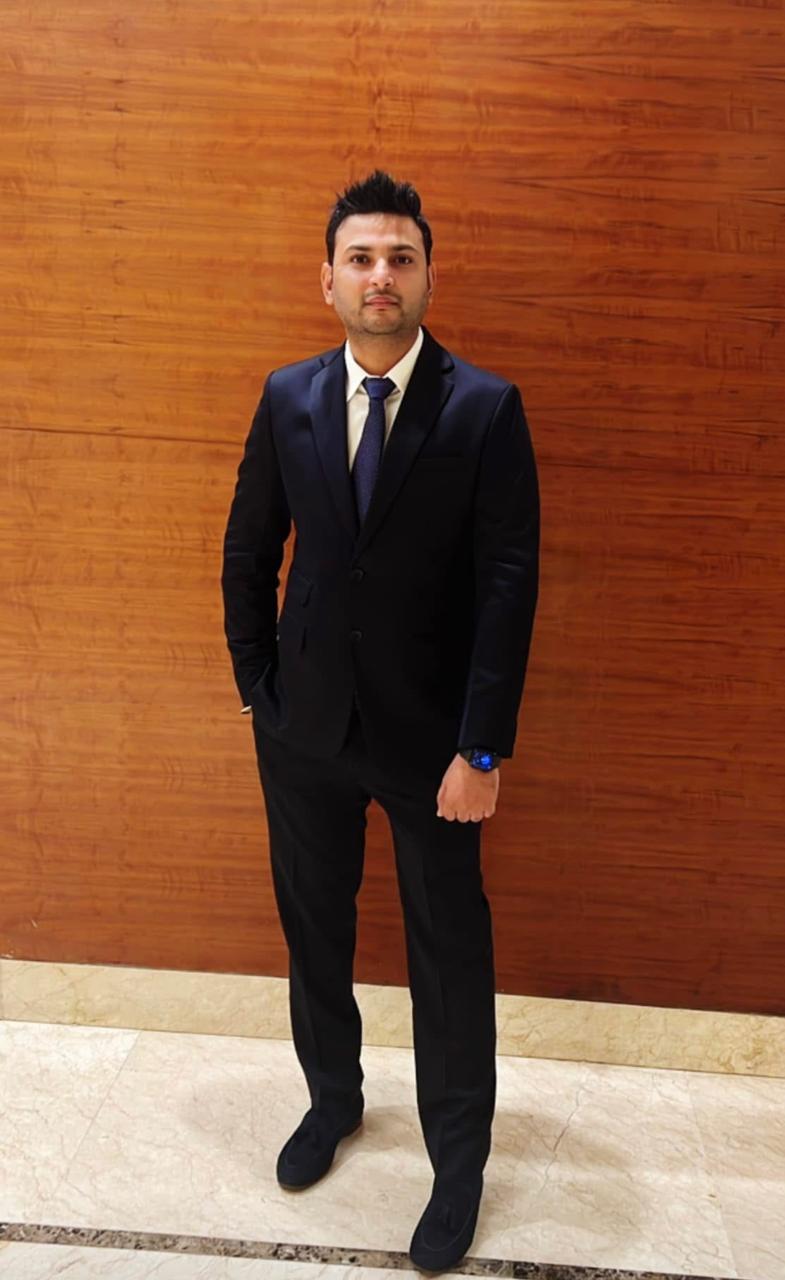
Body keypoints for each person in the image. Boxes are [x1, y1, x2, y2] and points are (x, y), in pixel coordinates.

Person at [221, 169, 539, 1272]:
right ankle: (332, 1100)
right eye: (360, 258)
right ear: (328, 280)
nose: (380, 275)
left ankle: (457, 1165)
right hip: (302, 728)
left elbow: (507, 586)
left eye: (400, 257)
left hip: (433, 745)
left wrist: (481, 745)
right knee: (314, 926)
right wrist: (255, 685)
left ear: (427, 277)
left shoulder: (483, 407)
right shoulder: (287, 397)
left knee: (447, 950)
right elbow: (248, 545)